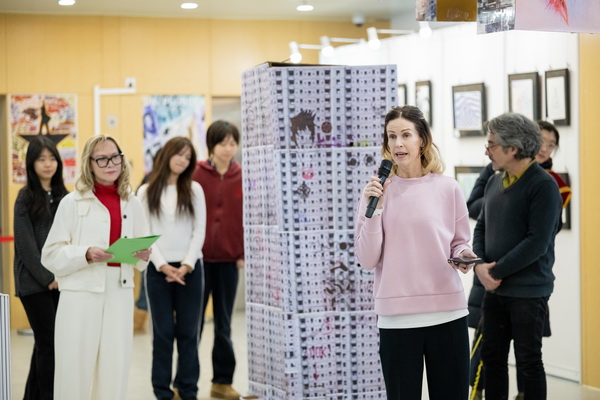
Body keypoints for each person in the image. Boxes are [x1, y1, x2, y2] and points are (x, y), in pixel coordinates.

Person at [354, 105, 478, 399]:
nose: (398, 143)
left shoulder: (448, 188)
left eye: (406, 135)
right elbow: (367, 259)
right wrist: (375, 210)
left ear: (422, 139)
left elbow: (459, 242)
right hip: (397, 319)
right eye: (391, 136)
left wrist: (464, 255)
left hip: (447, 313)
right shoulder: (376, 192)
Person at [467, 119, 571, 400]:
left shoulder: (544, 185)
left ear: (512, 148)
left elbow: (536, 243)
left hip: (528, 292)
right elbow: (481, 228)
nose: (487, 151)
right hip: (494, 290)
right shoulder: (493, 181)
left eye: (491, 145)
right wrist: (479, 266)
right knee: (492, 358)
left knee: (528, 362)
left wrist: (494, 272)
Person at [41, 135, 151, 400]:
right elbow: (50, 255)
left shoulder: (132, 202)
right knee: (74, 366)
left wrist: (142, 254)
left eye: (115, 157)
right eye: (101, 159)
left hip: (119, 292)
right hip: (80, 292)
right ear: (89, 163)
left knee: (115, 367)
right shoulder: (72, 202)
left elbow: (142, 256)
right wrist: (85, 254)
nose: (110, 164)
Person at [137, 136, 206, 400]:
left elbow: (199, 230)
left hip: (191, 269)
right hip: (158, 271)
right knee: (163, 333)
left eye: (188, 157)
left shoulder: (195, 189)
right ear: (167, 154)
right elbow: (145, 234)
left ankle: (188, 390)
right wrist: (163, 265)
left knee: (189, 333)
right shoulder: (146, 192)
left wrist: (187, 264)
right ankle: (162, 392)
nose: (183, 160)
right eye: (179, 154)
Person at [13, 136, 68, 400]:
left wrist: (61, 275)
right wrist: (48, 278)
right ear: (31, 164)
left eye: (52, 158)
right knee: (49, 343)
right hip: (33, 284)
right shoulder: (25, 197)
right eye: (41, 159)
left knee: (46, 344)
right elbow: (25, 247)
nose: (48, 164)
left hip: (62, 282)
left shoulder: (65, 197)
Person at [192, 120, 244, 400]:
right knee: (193, 325)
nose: (228, 149)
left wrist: (242, 252)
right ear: (211, 145)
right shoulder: (196, 174)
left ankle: (222, 382)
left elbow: (250, 217)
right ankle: (185, 382)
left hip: (228, 261)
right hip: (197, 261)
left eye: (232, 143)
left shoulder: (242, 175)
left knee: (224, 324)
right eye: (222, 143)